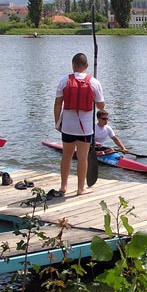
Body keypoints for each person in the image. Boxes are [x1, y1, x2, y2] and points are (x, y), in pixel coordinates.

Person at [54, 52, 105, 196]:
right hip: (85, 129)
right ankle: (80, 188)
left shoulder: (64, 81)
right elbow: (101, 106)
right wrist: (95, 97)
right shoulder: (94, 82)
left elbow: (57, 104)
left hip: (68, 127)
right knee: (82, 157)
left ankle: (63, 186)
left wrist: (57, 123)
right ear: (87, 66)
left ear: (73, 65)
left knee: (66, 155)